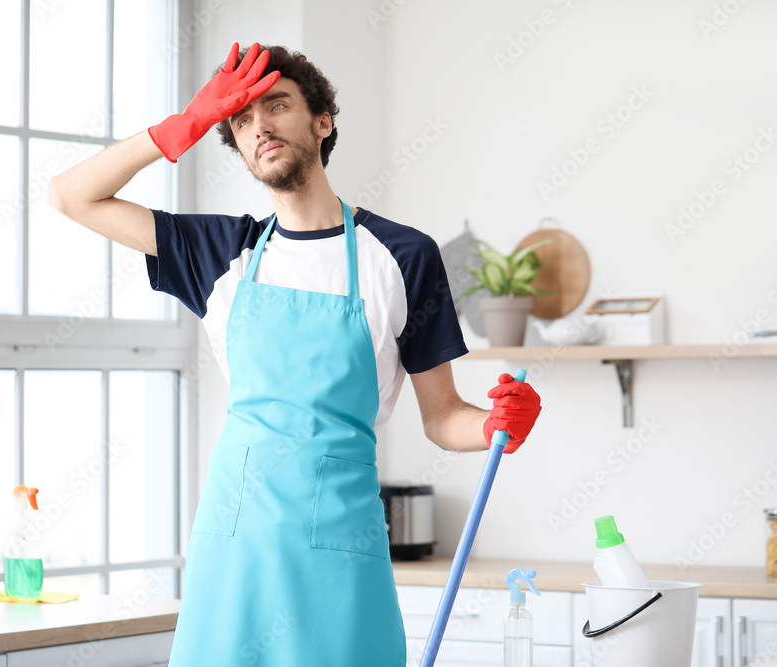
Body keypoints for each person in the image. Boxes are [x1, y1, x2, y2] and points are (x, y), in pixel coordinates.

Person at [50, 42, 542, 667]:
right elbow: (71, 196)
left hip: (339, 550)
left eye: (276, 106)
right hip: (234, 552)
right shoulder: (222, 252)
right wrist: (185, 124)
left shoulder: (402, 256)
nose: (260, 127)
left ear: (321, 122)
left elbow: (443, 417)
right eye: (242, 120)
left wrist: (497, 424)